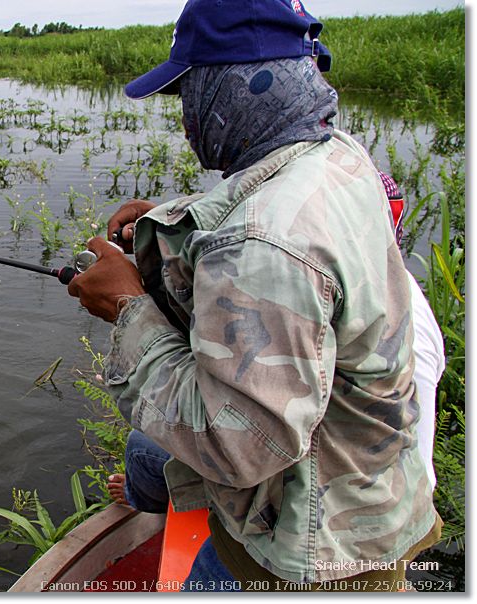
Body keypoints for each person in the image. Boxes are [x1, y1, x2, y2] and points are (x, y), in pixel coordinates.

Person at [66, 0, 442, 591]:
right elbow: (276, 207)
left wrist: (128, 308)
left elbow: (235, 447)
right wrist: (170, 220)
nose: (189, 117)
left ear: (237, 85)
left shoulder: (262, 245)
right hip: (372, 501)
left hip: (305, 554)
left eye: (192, 91)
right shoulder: (340, 154)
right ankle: (151, 493)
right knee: (147, 452)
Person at [107, 171, 446, 511]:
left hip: (337, 512)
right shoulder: (382, 287)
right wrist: (169, 234)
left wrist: (130, 307)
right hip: (362, 477)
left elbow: (237, 448)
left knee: (142, 447)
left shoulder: (318, 287)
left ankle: (143, 502)